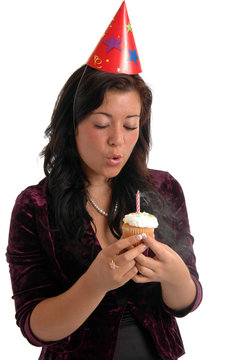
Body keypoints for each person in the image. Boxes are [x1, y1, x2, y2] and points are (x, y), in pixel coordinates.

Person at [6, 2, 202, 360]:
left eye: (130, 125)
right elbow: (34, 326)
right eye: (101, 124)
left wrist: (175, 275)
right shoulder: (36, 206)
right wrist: (95, 283)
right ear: (73, 124)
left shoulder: (162, 189)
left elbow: (185, 302)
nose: (118, 140)